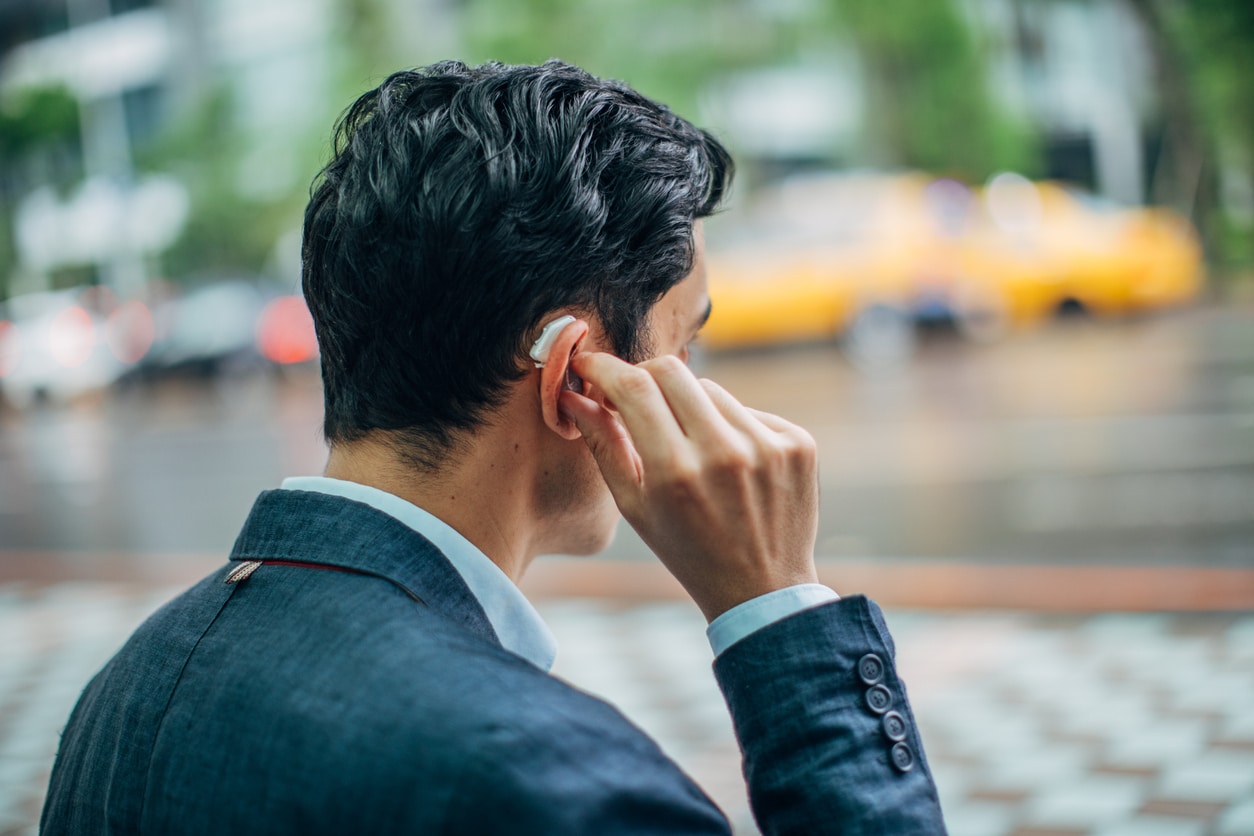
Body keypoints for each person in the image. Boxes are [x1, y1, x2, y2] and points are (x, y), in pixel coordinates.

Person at [41, 60, 946, 835]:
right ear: (578, 380)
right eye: (686, 344)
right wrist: (783, 616)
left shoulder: (126, 689)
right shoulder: (552, 782)